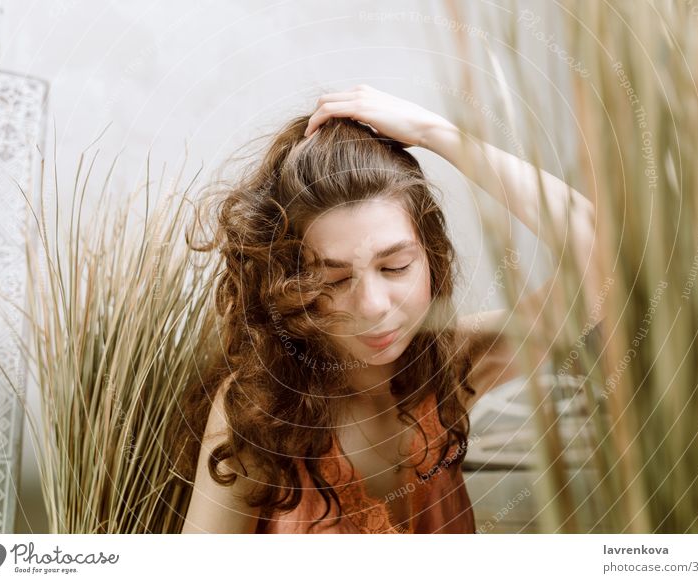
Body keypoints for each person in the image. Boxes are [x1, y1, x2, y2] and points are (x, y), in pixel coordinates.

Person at [176, 84, 603, 534]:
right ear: (292, 285)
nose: (374, 306)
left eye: (396, 266)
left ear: (431, 255)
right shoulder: (261, 410)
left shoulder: (456, 365)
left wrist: (434, 131)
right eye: (335, 279)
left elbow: (603, 261)